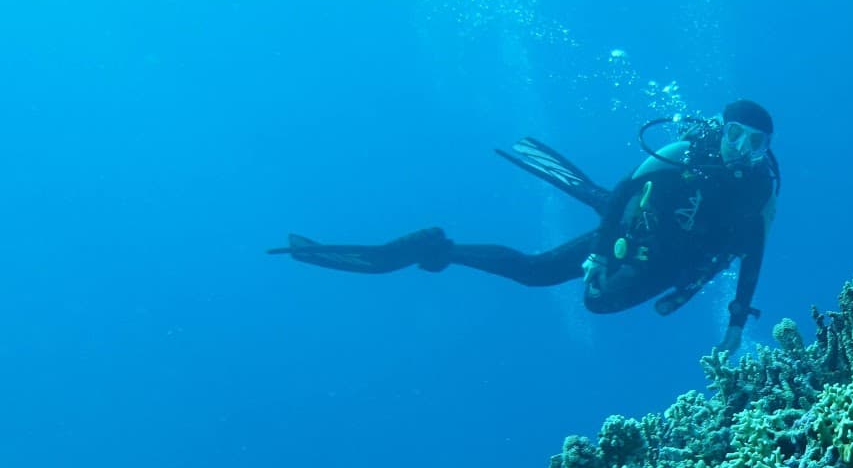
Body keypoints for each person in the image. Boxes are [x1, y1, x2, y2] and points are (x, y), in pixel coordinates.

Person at [269, 100, 779, 353]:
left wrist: (736, 321)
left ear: (764, 150)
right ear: (721, 127)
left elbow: (753, 253)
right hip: (634, 229)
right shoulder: (687, 151)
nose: (740, 148)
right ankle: (438, 249)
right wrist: (601, 254)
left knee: (574, 287)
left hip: (669, 258)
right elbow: (626, 190)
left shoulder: (758, 190)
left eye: (754, 142)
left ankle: (443, 250)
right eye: (735, 133)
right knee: (564, 273)